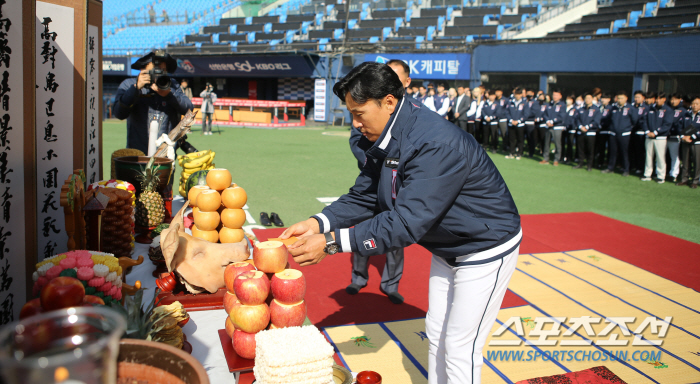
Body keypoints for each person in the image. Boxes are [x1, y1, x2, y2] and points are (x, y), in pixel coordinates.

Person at [279, 62, 522, 384]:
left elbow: (407, 222)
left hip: (483, 247)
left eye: (359, 113)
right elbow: (366, 195)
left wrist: (333, 242)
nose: (355, 123)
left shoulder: (434, 143)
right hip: (448, 245)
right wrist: (318, 223)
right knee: (436, 332)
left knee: (462, 344)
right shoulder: (387, 133)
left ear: (389, 102)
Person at [345, 59, 410, 304]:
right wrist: (378, 161)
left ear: (407, 81)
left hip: (399, 182)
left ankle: (391, 284)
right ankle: (359, 278)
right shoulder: (367, 106)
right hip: (373, 177)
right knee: (363, 227)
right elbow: (356, 141)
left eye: (395, 76)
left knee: (396, 233)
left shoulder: (414, 112)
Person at [113, 51, 193, 156]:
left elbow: (188, 109)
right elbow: (119, 113)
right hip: (137, 155)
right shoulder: (129, 85)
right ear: (143, 70)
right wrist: (136, 88)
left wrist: (168, 94)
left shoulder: (172, 85)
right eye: (155, 71)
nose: (158, 75)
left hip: (165, 155)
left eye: (162, 71)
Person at [602, 90, 639, 176]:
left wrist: (627, 129)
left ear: (626, 98)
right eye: (618, 98)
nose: (619, 100)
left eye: (621, 98)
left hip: (624, 134)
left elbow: (634, 120)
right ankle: (610, 167)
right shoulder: (613, 108)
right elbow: (608, 119)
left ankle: (626, 169)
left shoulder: (631, 108)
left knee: (624, 152)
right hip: (613, 133)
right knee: (612, 152)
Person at [641, 92, 673, 183]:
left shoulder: (668, 110)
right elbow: (644, 121)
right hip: (649, 137)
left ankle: (661, 176)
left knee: (660, 157)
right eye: (657, 98)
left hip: (660, 138)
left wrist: (655, 132)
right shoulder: (649, 108)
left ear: (664, 99)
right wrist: (647, 131)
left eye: (660, 98)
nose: (658, 100)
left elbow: (667, 124)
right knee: (648, 156)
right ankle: (647, 174)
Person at [677, 95, 700, 188]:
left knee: (697, 162)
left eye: (697, 104)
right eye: (693, 103)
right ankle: (684, 179)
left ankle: (695, 181)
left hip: (697, 142)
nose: (694, 105)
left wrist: (693, 136)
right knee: (685, 161)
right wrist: (683, 136)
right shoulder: (686, 114)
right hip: (685, 141)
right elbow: (680, 126)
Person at [573, 93, 601, 171]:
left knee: (590, 150)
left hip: (590, 133)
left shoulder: (596, 109)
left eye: (589, 98)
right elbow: (576, 119)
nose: (587, 100)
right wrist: (580, 127)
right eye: (586, 98)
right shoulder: (581, 109)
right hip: (581, 132)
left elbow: (596, 121)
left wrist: (587, 127)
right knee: (580, 149)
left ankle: (589, 165)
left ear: (592, 99)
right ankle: (580, 163)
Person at [539, 89, 566, 166]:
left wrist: (552, 122)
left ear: (560, 96)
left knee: (557, 144)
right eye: (554, 95)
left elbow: (562, 116)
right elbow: (544, 114)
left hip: (557, 127)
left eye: (556, 95)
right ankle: (546, 158)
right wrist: (547, 121)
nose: (555, 97)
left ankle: (556, 159)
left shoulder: (562, 105)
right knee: (546, 143)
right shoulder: (549, 104)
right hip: (548, 126)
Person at [667, 93, 687, 182]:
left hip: (677, 136)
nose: (673, 101)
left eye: (675, 99)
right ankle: (668, 172)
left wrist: (682, 134)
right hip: (667, 135)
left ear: (680, 99)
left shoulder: (683, 110)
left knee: (675, 156)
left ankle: (674, 174)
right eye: (671, 99)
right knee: (668, 156)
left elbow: (682, 125)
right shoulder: (669, 109)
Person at [505, 87, 528, 160]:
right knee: (511, 139)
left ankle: (519, 153)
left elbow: (526, 114)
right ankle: (511, 153)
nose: (517, 96)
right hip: (511, 124)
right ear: (514, 94)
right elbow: (507, 112)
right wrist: (511, 120)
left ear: (521, 95)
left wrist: (518, 121)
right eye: (516, 94)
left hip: (520, 124)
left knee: (520, 139)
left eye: (519, 94)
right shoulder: (510, 102)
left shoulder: (525, 103)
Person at [525, 89, 542, 158]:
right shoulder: (524, 101)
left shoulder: (535, 102)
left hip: (530, 122)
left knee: (531, 138)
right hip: (523, 122)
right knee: (526, 139)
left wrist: (525, 115)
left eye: (530, 92)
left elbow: (534, 112)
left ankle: (531, 152)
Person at [563, 95, 579, 164]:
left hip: (571, 129)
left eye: (569, 99)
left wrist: (569, 125)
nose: (568, 100)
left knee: (570, 144)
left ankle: (569, 158)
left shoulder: (575, 109)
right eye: (567, 99)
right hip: (563, 129)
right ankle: (562, 157)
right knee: (562, 143)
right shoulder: (563, 107)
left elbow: (573, 119)